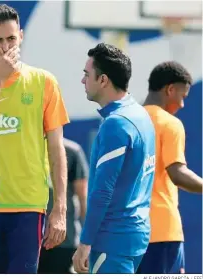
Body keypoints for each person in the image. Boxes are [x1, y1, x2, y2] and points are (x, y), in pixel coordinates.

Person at [0, 4, 70, 274]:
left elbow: (57, 151)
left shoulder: (44, 82)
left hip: (27, 206)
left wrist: (60, 209)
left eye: (11, 38)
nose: (6, 47)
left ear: (21, 36)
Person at [72, 43, 156, 274]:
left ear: (103, 80)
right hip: (134, 236)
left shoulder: (116, 123)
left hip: (113, 239)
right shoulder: (139, 114)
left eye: (86, 74)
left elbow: (102, 191)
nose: (82, 81)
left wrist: (85, 242)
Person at [136, 61, 203, 274]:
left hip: (125, 234)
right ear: (170, 89)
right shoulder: (169, 123)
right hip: (162, 233)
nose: (182, 105)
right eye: (182, 97)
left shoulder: (123, 120)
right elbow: (178, 174)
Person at [38, 138, 89, 274]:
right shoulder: (27, 149)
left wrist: (87, 240)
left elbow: (83, 196)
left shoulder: (72, 150)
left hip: (64, 238)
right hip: (33, 235)